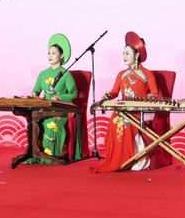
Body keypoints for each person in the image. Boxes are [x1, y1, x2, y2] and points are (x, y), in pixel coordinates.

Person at [94, 31, 160, 173]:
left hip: (140, 111)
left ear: (136, 55)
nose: (124, 56)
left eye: (127, 53)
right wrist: (108, 95)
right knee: (115, 120)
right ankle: (119, 159)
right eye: (123, 53)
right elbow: (114, 92)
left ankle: (131, 159)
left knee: (123, 122)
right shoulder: (121, 74)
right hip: (124, 110)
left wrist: (150, 96)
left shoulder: (147, 74)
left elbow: (155, 92)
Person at [26, 33, 79, 163]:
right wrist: (34, 95)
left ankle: (52, 156)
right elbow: (36, 90)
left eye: (54, 53)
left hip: (61, 110)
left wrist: (59, 97)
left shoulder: (66, 74)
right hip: (45, 108)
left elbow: (74, 94)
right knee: (34, 122)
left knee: (52, 124)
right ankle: (36, 154)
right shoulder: (43, 74)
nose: (50, 56)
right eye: (49, 53)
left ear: (62, 55)